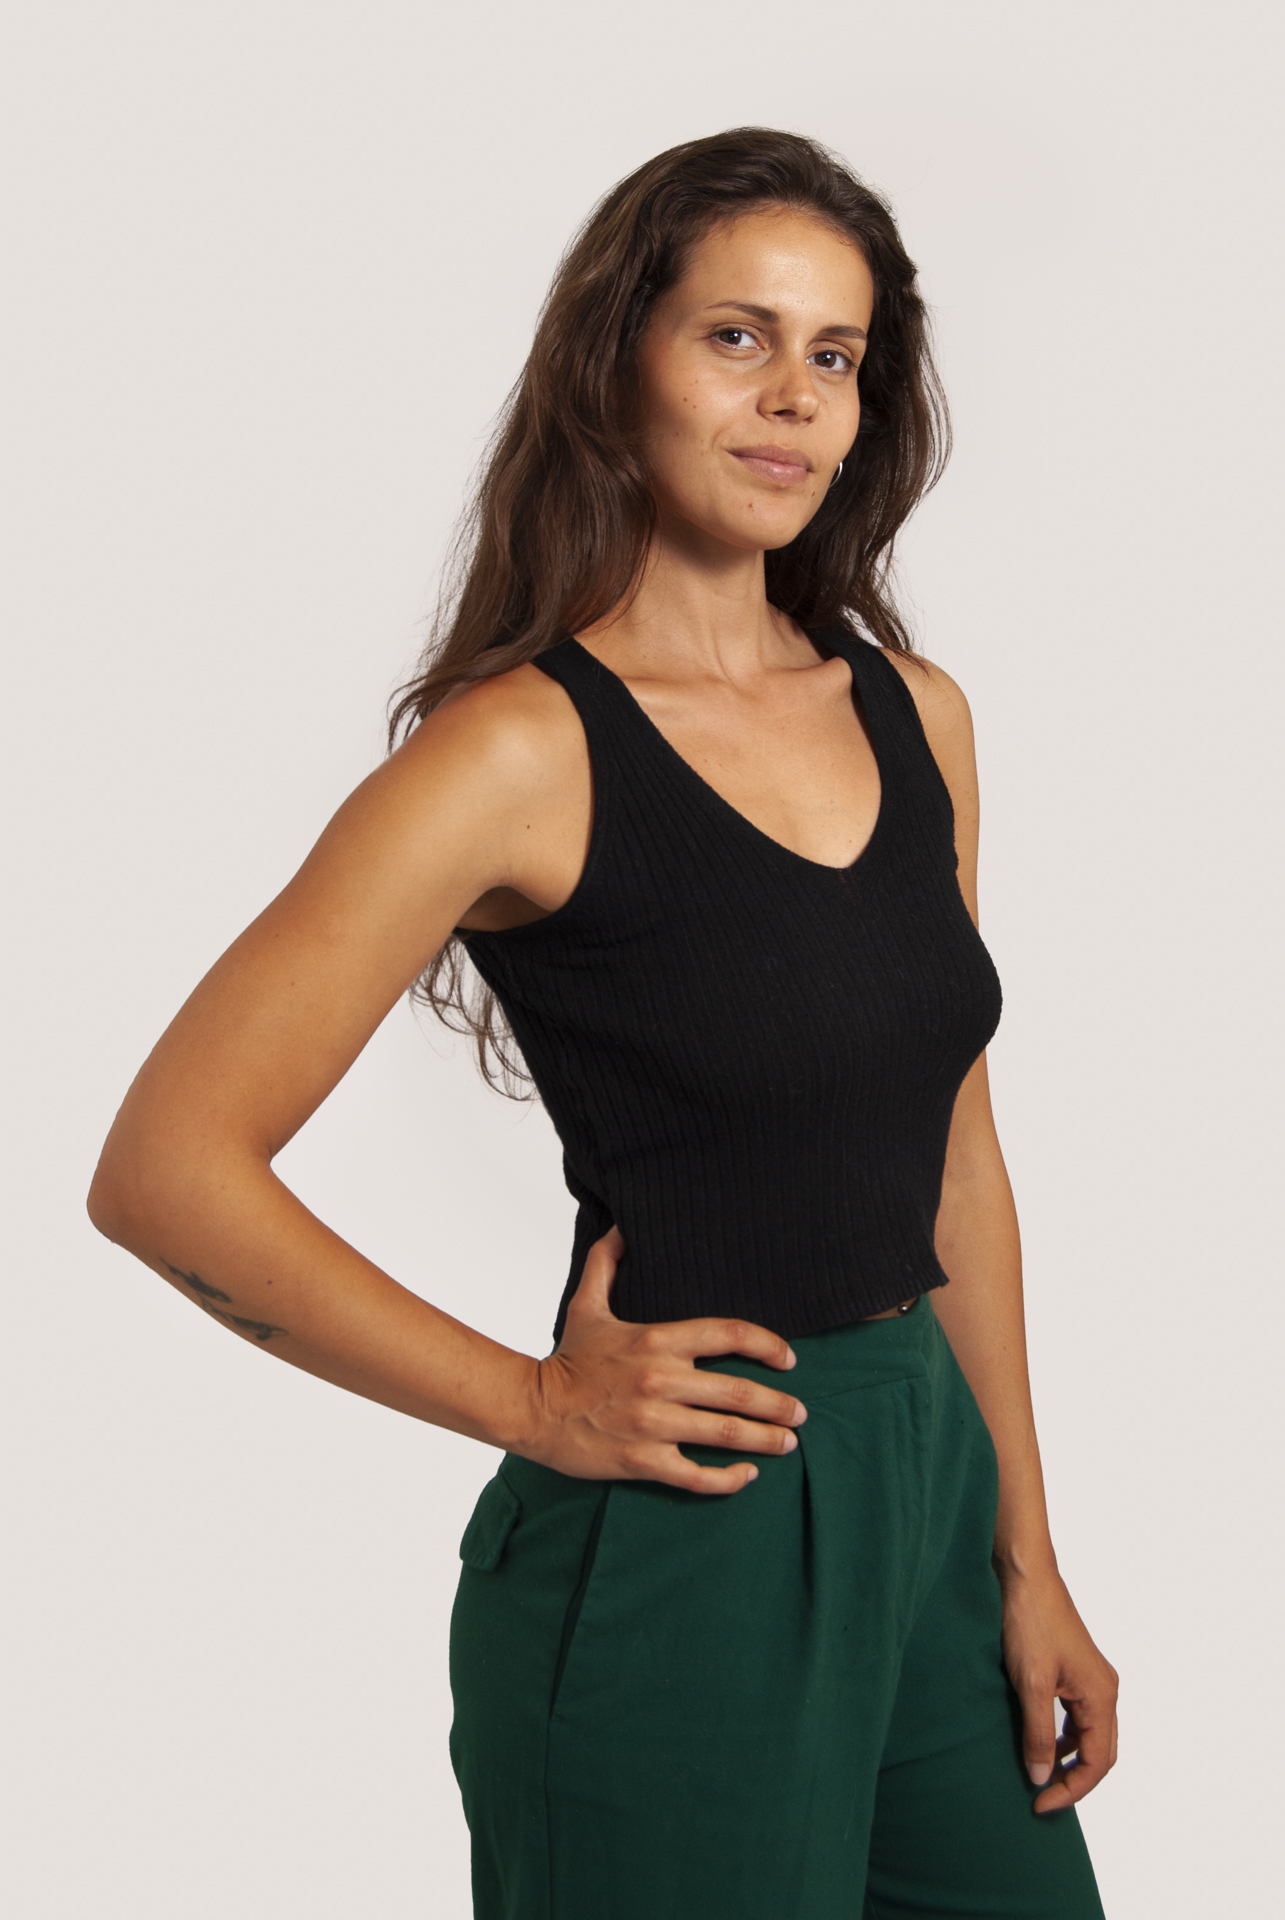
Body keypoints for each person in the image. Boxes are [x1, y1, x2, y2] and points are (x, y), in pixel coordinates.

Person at [89, 128, 1117, 1918]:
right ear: (613, 361)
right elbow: (164, 1169)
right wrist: (531, 1403)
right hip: (681, 1542)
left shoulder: (915, 715)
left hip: (926, 1495)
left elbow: (952, 1148)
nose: (792, 396)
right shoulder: (513, 753)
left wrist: (1024, 1552)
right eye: (735, 336)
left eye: (834, 354)